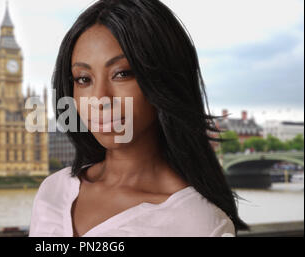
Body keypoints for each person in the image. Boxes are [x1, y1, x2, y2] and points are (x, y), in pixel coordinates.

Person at [29, 0, 248, 237]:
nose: (99, 98)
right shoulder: (53, 191)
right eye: (84, 79)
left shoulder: (200, 225)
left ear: (163, 79)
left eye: (122, 74)